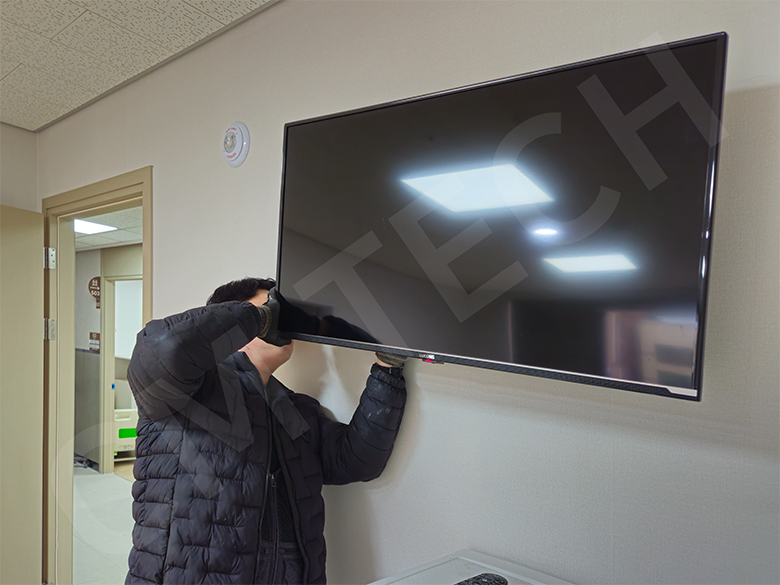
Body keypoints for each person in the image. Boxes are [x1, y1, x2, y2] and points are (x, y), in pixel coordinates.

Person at [125, 277, 407, 585]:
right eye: (272, 311)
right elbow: (161, 347)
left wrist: (387, 368)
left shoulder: (296, 408)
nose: (284, 325)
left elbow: (356, 461)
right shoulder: (191, 391)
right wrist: (259, 317)